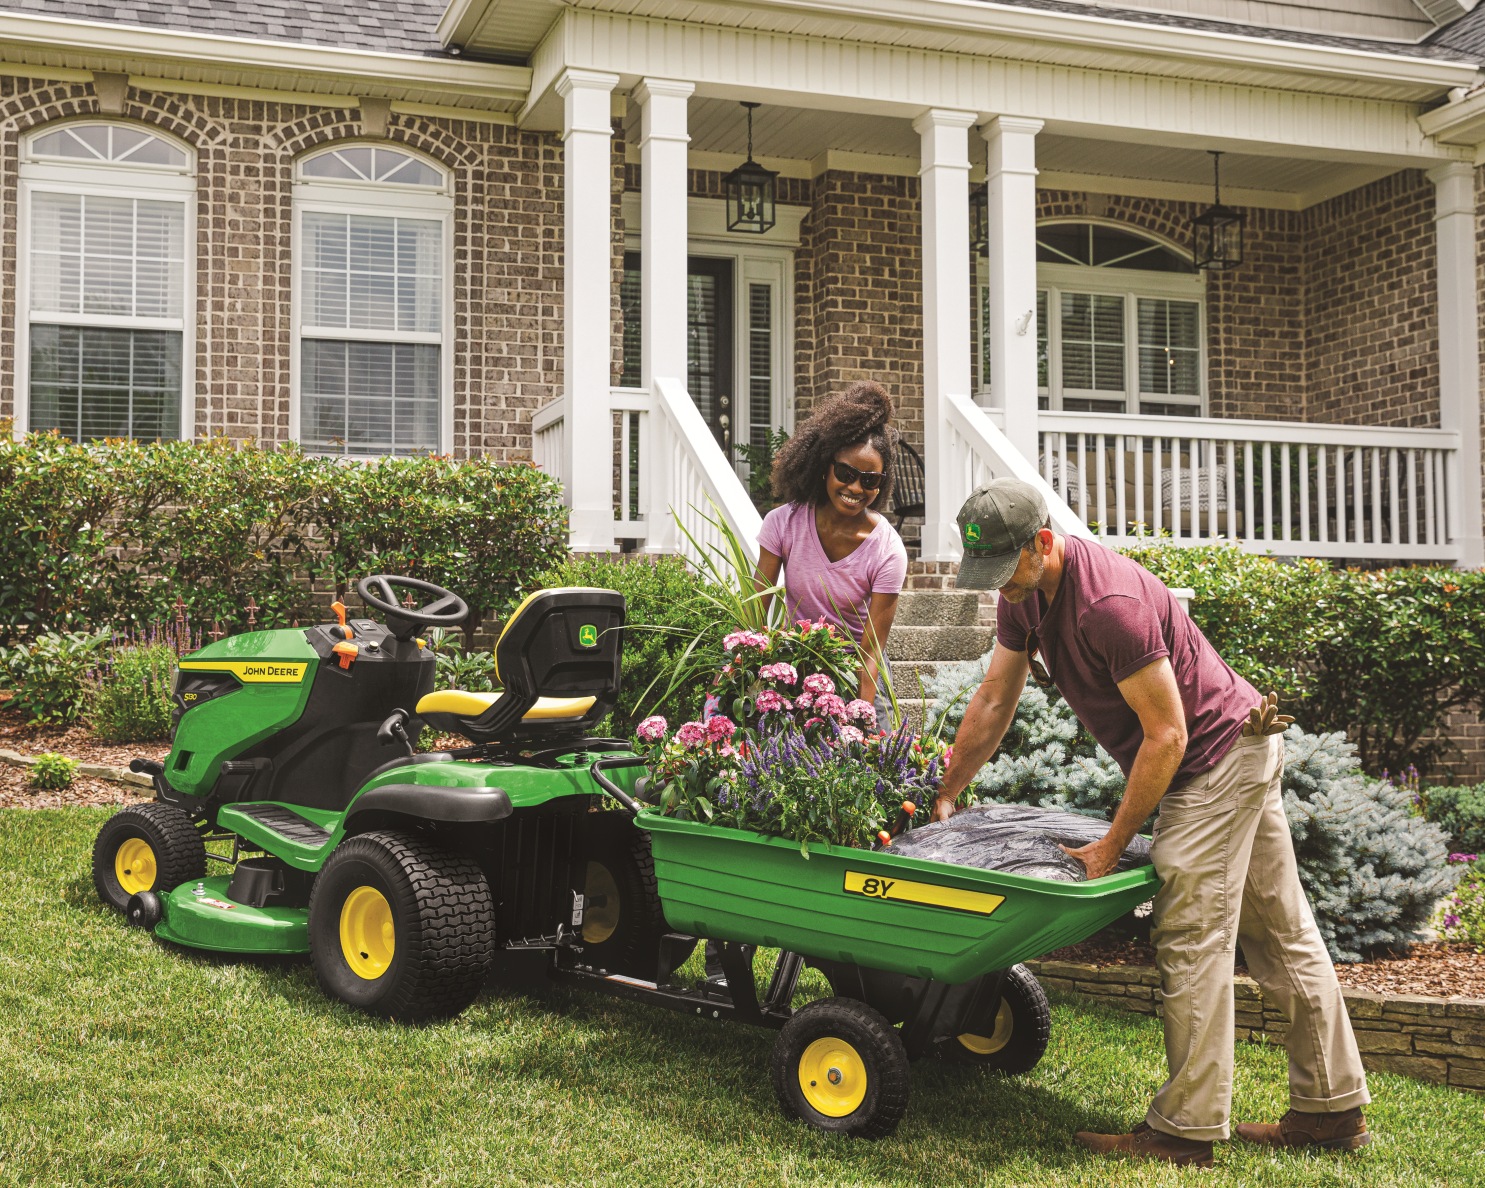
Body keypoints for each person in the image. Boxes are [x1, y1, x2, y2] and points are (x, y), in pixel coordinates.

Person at [933, 478, 1370, 1170]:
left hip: (1213, 756)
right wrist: (948, 788)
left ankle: (1186, 1131)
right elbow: (994, 696)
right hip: (1237, 745)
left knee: (1191, 933)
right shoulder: (1024, 595)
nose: (1000, 588)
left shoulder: (1109, 604)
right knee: (1280, 930)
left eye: (1005, 571)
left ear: (1042, 544)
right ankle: (1330, 1109)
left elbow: (1166, 736)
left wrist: (1111, 845)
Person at [752, 379, 909, 725]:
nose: (855, 487)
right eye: (846, 473)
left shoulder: (887, 550)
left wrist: (858, 721)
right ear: (825, 466)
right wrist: (742, 677)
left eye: (870, 480)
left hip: (858, 671)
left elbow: (870, 652)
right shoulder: (784, 523)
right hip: (798, 665)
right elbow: (753, 617)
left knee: (876, 768)